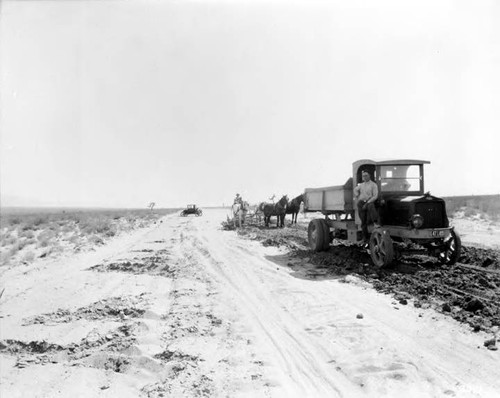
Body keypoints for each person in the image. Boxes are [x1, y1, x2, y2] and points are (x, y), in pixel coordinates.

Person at [354, 170, 380, 243]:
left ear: (369, 176)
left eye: (366, 175)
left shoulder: (373, 185)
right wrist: (357, 195)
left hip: (370, 201)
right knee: (363, 222)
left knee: (371, 206)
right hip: (361, 203)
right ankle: (365, 238)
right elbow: (355, 190)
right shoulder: (361, 185)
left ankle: (375, 223)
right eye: (363, 176)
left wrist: (367, 203)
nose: (364, 177)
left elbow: (375, 196)